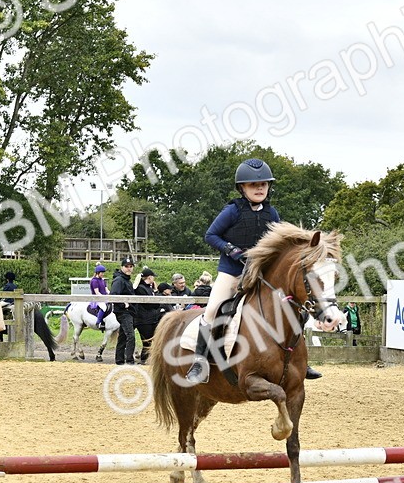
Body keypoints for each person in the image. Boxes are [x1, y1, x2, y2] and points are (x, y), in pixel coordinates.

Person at [184, 157, 321, 384]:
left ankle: (299, 360)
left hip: (262, 275)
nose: (259, 188)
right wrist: (233, 251)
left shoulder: (272, 214)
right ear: (242, 188)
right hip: (231, 272)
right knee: (212, 311)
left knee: (298, 309)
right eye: (253, 185)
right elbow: (211, 235)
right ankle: (200, 361)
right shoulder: (232, 211)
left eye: (263, 184)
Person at [110, 257, 137, 365]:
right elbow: (113, 295)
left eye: (131, 266)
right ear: (122, 267)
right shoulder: (119, 280)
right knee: (130, 336)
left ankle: (119, 359)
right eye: (126, 266)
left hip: (127, 311)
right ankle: (129, 360)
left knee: (123, 336)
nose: (129, 269)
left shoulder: (126, 280)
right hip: (123, 312)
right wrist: (123, 305)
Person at [133, 267, 161, 364]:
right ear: (149, 277)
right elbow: (151, 304)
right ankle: (145, 359)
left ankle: (147, 358)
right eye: (153, 277)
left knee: (150, 340)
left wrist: (155, 291)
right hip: (144, 319)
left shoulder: (148, 288)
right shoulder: (141, 289)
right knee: (147, 341)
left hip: (150, 318)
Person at [88, 263, 112, 331]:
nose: (103, 274)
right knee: (104, 307)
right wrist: (104, 297)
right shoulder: (94, 281)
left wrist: (111, 295)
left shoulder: (102, 280)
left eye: (103, 272)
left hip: (104, 298)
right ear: (97, 273)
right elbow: (97, 292)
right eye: (101, 272)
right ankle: (98, 322)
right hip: (97, 299)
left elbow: (106, 290)